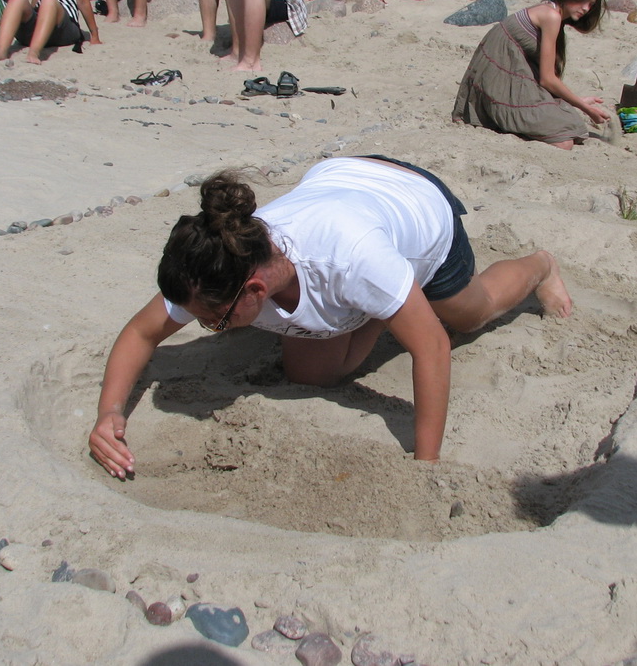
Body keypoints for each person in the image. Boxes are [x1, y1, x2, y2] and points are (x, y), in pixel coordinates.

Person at [87, 156, 575, 477]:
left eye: (216, 322)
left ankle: (540, 266)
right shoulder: (214, 262)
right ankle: (386, 307)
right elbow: (141, 332)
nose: (208, 327)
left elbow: (433, 348)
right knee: (311, 374)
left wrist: (426, 464)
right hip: (341, 186)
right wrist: (110, 412)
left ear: (254, 290)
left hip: (416, 201)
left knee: (468, 314)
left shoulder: (351, 257)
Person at [452, 0, 610, 148]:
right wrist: (585, 108)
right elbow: (547, 79)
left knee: (566, 128)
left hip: (507, 71)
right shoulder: (551, 16)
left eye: (591, 4)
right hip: (499, 77)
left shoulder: (550, 9)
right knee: (564, 140)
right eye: (582, 0)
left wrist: (578, 101)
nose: (586, 8)